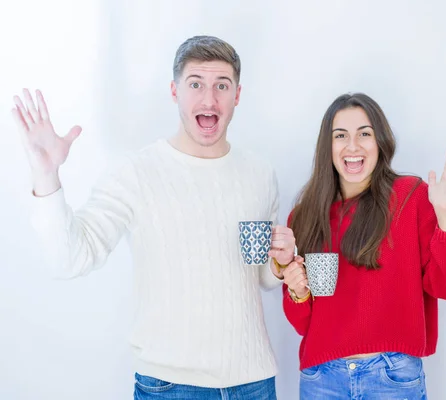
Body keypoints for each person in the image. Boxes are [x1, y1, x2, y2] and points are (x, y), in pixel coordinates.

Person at [11, 35, 296, 399]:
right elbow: (69, 259)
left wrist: (279, 264)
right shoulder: (136, 172)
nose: (209, 99)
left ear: (237, 95)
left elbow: (259, 277)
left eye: (221, 85)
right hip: (170, 387)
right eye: (196, 84)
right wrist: (46, 175)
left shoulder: (260, 173)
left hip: (254, 383)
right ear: (174, 91)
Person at [281, 93, 446, 399]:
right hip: (322, 379)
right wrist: (297, 290)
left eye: (365, 134)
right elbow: (302, 323)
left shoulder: (410, 198)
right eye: (340, 135)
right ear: (327, 147)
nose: (353, 146)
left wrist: (445, 213)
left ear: (380, 142)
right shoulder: (304, 216)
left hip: (392, 377)